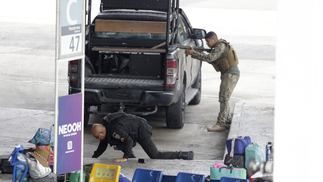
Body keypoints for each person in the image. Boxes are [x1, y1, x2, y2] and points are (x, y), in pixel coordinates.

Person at [185, 31, 240, 132]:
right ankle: (226, 121)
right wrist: (201, 54)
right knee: (224, 98)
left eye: (208, 41)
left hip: (230, 74)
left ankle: (221, 124)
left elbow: (210, 57)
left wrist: (194, 53)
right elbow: (213, 60)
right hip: (228, 74)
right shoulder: (217, 47)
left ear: (214, 39)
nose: (207, 43)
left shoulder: (220, 46)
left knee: (223, 98)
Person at [91, 112, 194, 162]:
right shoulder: (106, 128)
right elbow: (102, 146)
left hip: (141, 129)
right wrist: (92, 159)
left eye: (96, 136)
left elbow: (129, 141)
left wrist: (125, 158)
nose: (96, 139)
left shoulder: (114, 131)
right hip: (133, 129)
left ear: (101, 133)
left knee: (155, 156)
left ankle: (184, 155)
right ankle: (134, 164)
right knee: (123, 147)